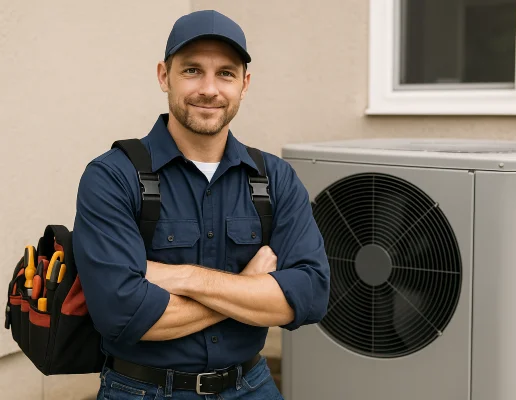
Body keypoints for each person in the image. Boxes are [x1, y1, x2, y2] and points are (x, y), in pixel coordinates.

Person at [72, 9, 330, 400]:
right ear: (164, 75)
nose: (209, 89)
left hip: (252, 386)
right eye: (192, 70)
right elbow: (122, 315)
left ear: (245, 84)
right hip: (143, 390)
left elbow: (310, 295)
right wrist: (249, 287)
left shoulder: (274, 178)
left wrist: (184, 278)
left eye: (225, 73)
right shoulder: (112, 177)